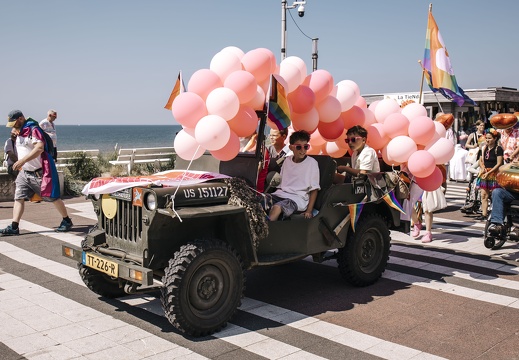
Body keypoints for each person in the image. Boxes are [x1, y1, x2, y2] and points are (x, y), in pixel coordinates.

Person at [0, 110, 73, 236]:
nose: (12, 126)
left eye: (14, 123)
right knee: (18, 197)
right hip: (24, 173)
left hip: (38, 173)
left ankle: (66, 220)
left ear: (21, 119)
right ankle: (14, 227)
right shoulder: (20, 132)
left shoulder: (33, 130)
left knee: (53, 197)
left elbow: (39, 148)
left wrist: (22, 161)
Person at [267, 130, 320, 221]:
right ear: (291, 147)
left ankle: (265, 232)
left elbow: (314, 189)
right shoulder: (287, 161)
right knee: (260, 200)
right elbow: (281, 184)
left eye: (306, 147)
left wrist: (309, 211)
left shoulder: (312, 163)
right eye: (299, 147)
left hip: (297, 199)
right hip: (280, 194)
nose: (303, 150)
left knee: (277, 207)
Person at [474, 128, 503, 221]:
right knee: (483, 195)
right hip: (485, 173)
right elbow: (480, 160)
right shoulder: (483, 148)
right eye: (486, 138)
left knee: (495, 195)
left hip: (494, 174)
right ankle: (484, 214)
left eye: (490, 138)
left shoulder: (498, 149)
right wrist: (483, 169)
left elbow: (499, 163)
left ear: (495, 139)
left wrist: (489, 172)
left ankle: (495, 214)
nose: (487, 140)